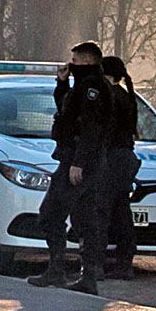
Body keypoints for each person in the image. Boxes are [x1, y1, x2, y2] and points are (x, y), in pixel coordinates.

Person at [27, 41, 112, 294]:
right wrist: (62, 83)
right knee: (84, 218)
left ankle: (57, 271)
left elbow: (90, 127)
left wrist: (78, 162)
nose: (69, 65)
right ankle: (87, 277)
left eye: (73, 61)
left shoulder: (92, 87)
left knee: (50, 213)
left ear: (86, 62)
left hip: (79, 163)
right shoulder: (84, 86)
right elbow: (67, 110)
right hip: (82, 161)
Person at [100, 55, 140, 280]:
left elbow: (106, 130)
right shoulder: (126, 96)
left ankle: (101, 261)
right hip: (124, 158)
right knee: (121, 211)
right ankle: (124, 262)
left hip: (112, 159)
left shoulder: (112, 98)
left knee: (104, 211)